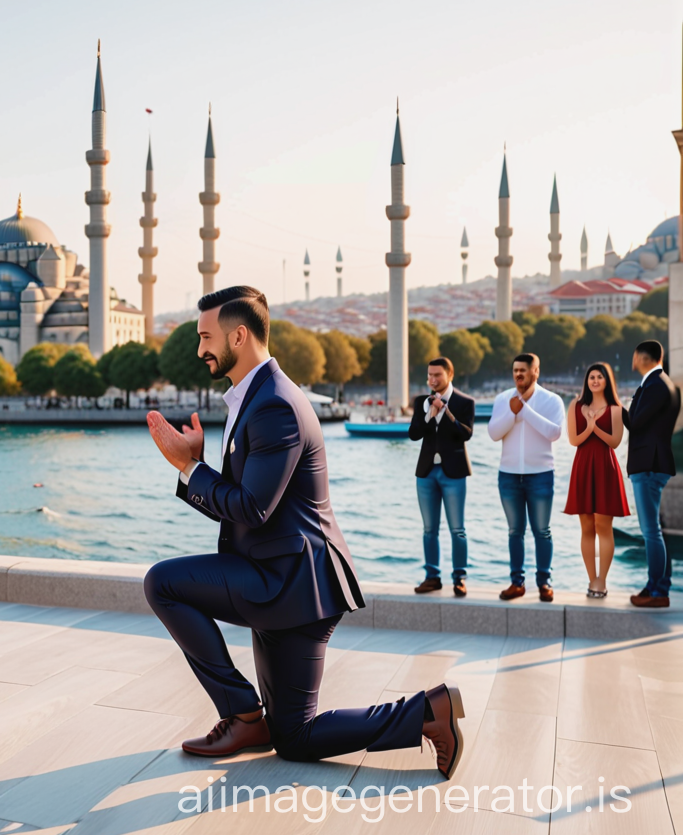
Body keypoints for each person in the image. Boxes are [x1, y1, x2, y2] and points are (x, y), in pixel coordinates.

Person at [144, 286, 465, 778]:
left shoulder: (274, 404)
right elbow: (246, 506)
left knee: (162, 584)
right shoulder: (254, 397)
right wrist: (199, 466)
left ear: (239, 335)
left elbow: (251, 508)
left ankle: (243, 714)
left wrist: (190, 467)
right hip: (282, 579)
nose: (200, 350)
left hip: (291, 583)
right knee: (294, 737)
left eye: (206, 337)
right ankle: (426, 712)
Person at [487, 353, 566, 602]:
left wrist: (525, 411)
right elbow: (493, 433)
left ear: (536, 372)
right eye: (515, 370)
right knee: (514, 531)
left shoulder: (552, 400)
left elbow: (554, 433)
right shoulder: (502, 399)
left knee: (542, 531)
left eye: (523, 370)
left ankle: (544, 583)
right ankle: (516, 583)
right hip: (509, 476)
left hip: (541, 475)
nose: (518, 374)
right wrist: (511, 414)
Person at [408, 357, 474, 597]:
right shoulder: (420, 402)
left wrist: (444, 412)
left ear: (449, 375)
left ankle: (459, 578)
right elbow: (414, 434)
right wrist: (428, 415)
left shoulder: (465, 402)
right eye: (429, 375)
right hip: (426, 473)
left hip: (454, 472)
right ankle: (432, 577)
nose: (432, 380)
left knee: (458, 529)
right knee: (429, 529)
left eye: (437, 375)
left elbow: (465, 434)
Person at [563, 362, 629, 599]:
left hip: (605, 467)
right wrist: (588, 425)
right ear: (586, 380)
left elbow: (614, 442)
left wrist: (594, 427)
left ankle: (603, 580)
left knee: (603, 526)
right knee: (587, 527)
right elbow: (573, 440)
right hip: (583, 467)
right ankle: (592, 579)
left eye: (600, 377)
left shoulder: (616, 409)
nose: (595, 380)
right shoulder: (575, 405)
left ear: (607, 380)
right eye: (591, 377)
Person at [625, 340, 680, 608]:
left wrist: (615, 408)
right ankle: (658, 586)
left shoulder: (654, 385)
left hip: (648, 465)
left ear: (640, 357)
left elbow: (635, 423)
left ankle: (657, 591)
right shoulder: (667, 384)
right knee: (655, 530)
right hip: (654, 464)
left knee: (650, 531)